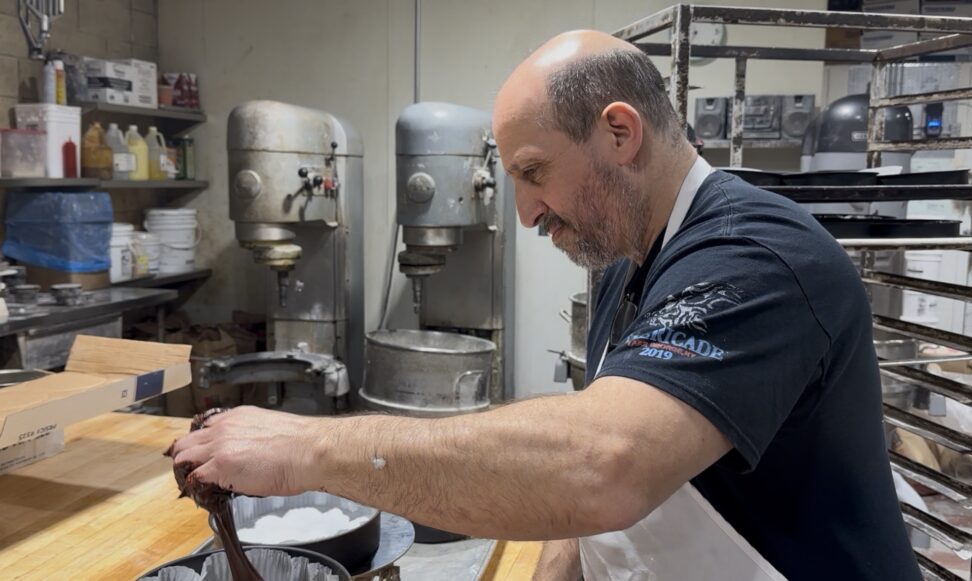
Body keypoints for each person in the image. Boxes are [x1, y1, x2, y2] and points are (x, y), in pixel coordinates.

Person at [168, 30, 921, 580]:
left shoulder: (758, 259)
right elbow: (583, 504)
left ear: (619, 131)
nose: (526, 214)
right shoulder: (629, 266)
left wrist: (307, 450)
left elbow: (603, 462)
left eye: (534, 172)